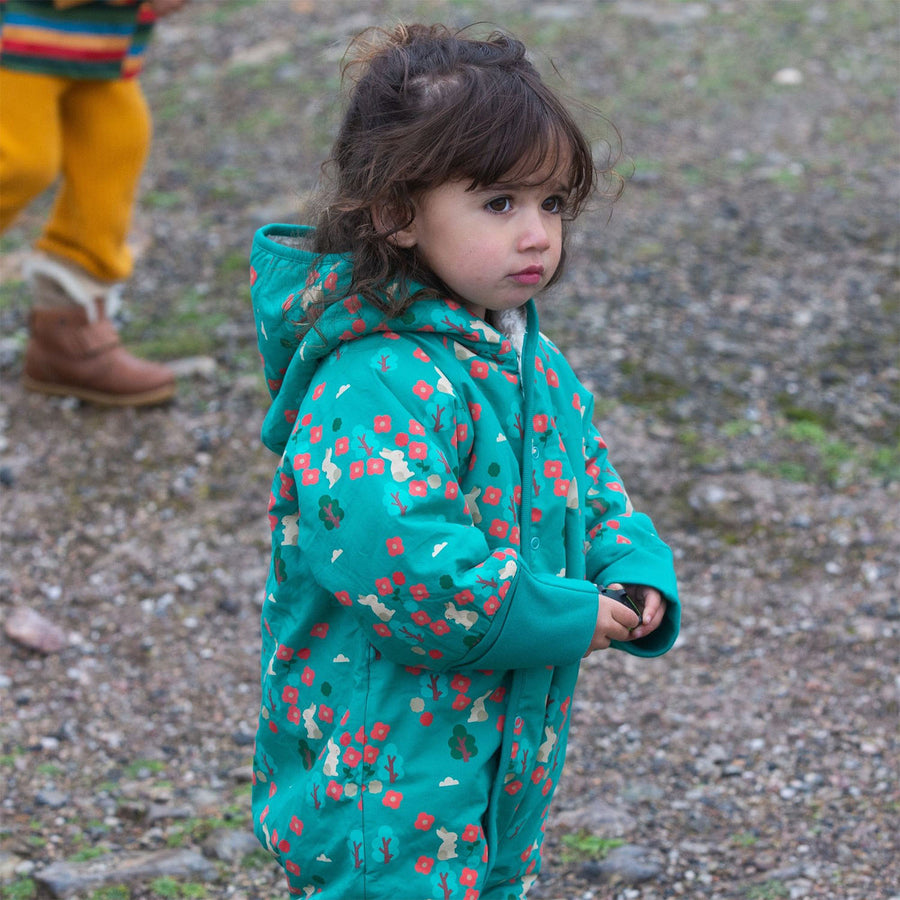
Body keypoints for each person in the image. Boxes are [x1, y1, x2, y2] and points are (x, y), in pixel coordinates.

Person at [249, 23, 681, 900]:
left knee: (491, 878)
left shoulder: (530, 365)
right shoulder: (371, 383)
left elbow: (589, 488)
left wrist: (631, 570)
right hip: (381, 773)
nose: (537, 236)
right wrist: (567, 614)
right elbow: (416, 577)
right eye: (499, 204)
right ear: (397, 212)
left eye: (552, 205)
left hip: (500, 747)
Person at [0, 0, 187, 407]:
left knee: (115, 141)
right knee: (18, 159)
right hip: (20, 27)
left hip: (97, 36)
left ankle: (64, 327)